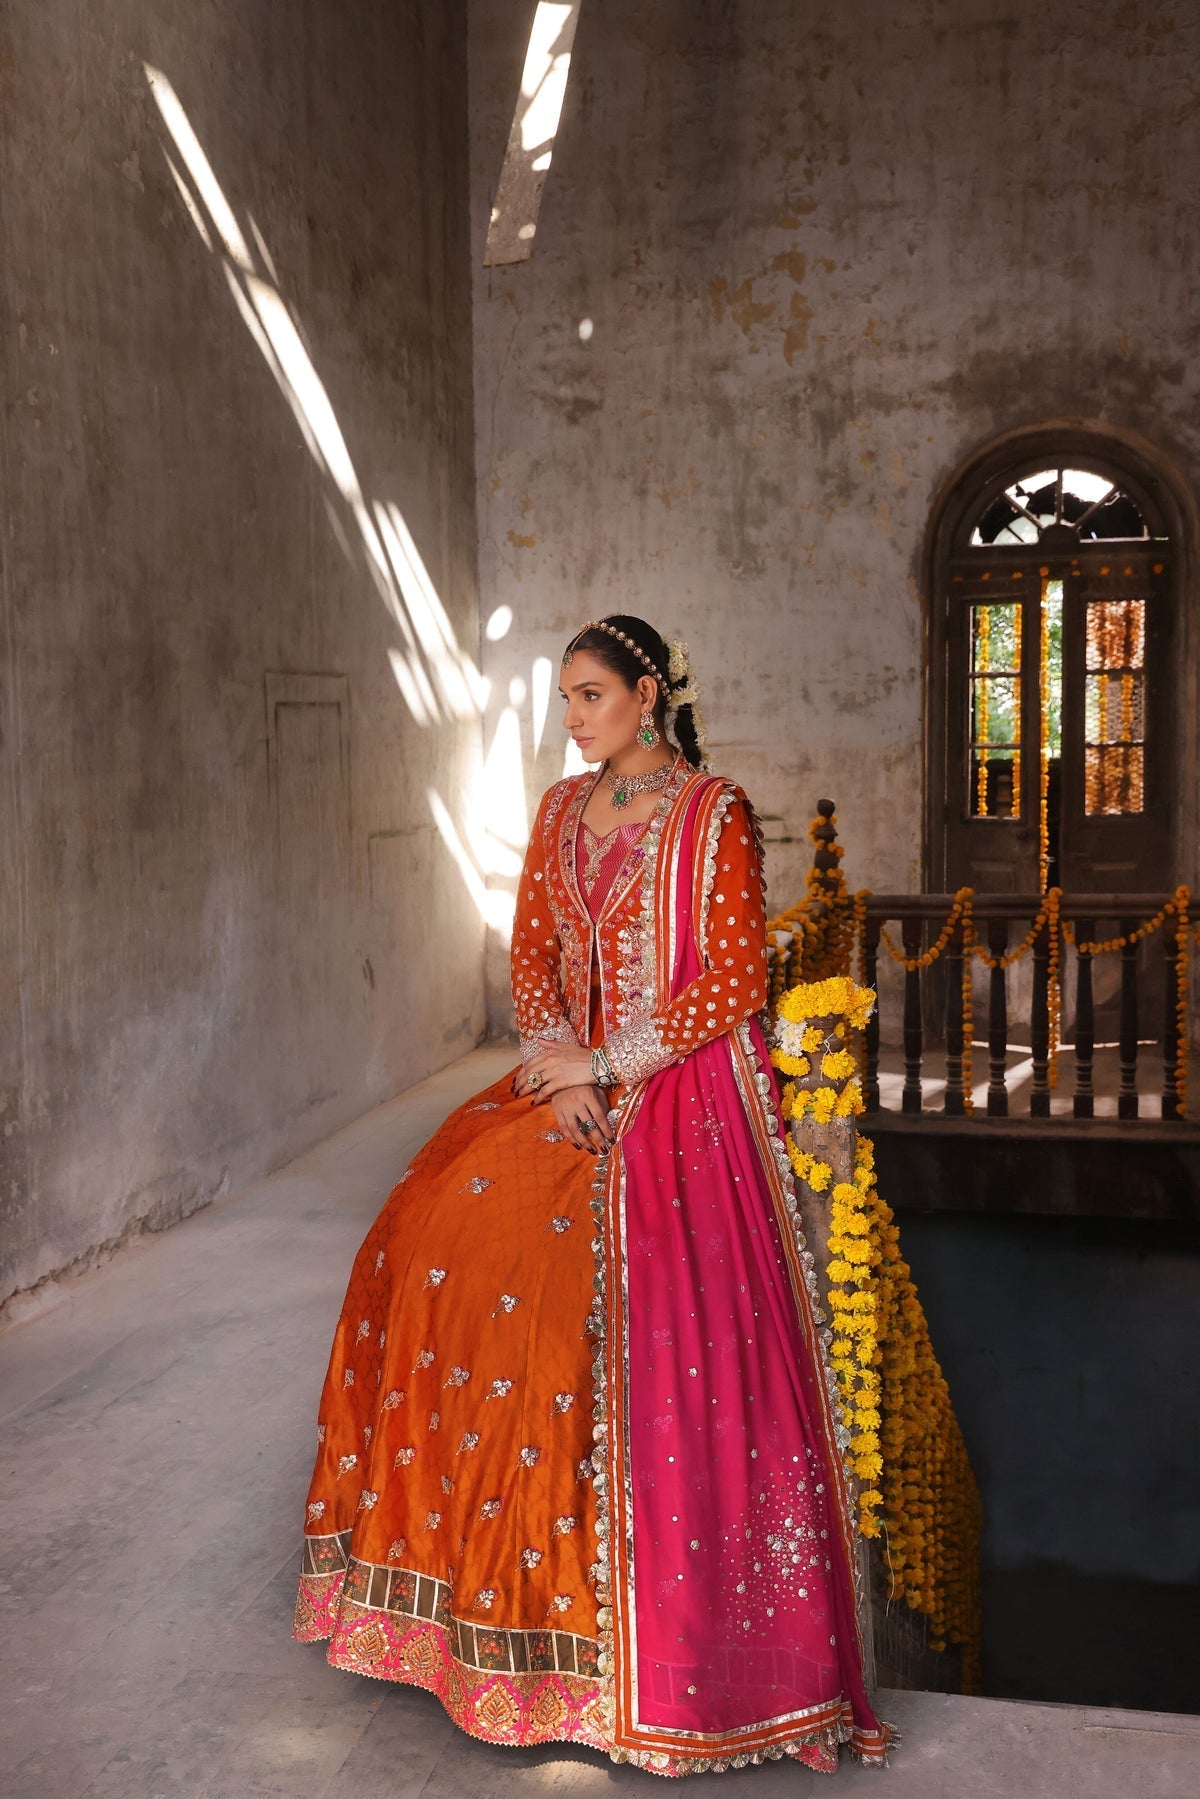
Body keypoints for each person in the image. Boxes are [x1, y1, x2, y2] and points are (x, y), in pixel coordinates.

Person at [293, 616, 895, 1775]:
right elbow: (531, 957)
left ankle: (626, 1655)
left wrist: (612, 1064)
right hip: (566, 1082)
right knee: (429, 1227)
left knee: (592, 1305)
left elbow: (735, 975)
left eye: (589, 696)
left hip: (679, 1085)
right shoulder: (562, 810)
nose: (571, 719)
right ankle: (472, 1616)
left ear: (646, 693)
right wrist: (560, 1068)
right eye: (564, 698)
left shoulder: (711, 811)